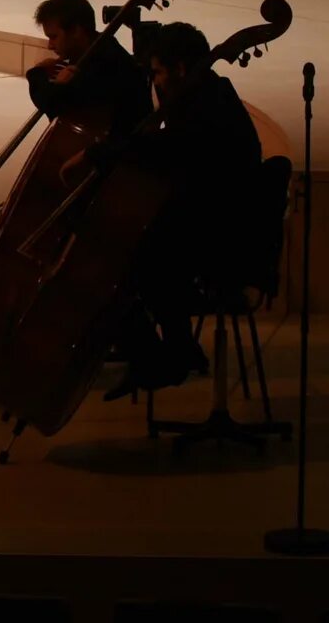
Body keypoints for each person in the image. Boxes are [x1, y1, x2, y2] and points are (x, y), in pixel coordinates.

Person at [112, 21, 266, 394]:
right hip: (212, 224)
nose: (157, 82)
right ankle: (175, 350)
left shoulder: (206, 110)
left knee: (122, 262)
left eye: (159, 73)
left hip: (223, 241)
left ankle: (158, 357)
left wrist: (101, 154)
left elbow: (169, 150)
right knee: (147, 250)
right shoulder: (209, 96)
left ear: (180, 68)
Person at [28, 0, 150, 139]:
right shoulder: (97, 48)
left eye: (54, 37)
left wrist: (38, 73)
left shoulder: (102, 63)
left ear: (76, 31)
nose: (50, 45)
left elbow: (51, 104)